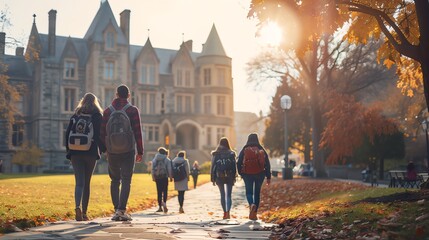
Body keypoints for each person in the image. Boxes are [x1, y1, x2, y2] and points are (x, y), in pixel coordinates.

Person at [101, 84, 144, 221]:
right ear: (129, 96)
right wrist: (140, 151)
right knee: (126, 180)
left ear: (116, 94)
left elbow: (102, 132)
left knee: (114, 180)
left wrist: (105, 149)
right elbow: (138, 132)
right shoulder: (132, 110)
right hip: (128, 150)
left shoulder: (107, 111)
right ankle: (121, 210)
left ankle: (116, 211)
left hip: (112, 151)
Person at [65, 93, 106, 221]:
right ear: (95, 102)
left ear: (82, 101)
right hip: (91, 152)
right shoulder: (97, 115)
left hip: (75, 153)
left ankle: (77, 206)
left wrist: (69, 151)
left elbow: (67, 133)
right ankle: (84, 213)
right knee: (87, 183)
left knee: (79, 183)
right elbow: (100, 135)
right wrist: (104, 150)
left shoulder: (76, 114)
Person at [237, 133, 271, 221]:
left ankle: (251, 204)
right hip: (260, 173)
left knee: (249, 192)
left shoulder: (245, 149)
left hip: (247, 174)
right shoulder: (260, 148)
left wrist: (241, 173)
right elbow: (267, 163)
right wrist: (268, 176)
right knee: (257, 193)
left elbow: (239, 161)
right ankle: (254, 214)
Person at [210, 137, 237, 220]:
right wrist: (234, 176)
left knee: (222, 195)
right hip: (229, 176)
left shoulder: (216, 154)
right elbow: (234, 166)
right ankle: (228, 212)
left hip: (219, 176)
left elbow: (213, 166)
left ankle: (224, 213)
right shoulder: (231, 153)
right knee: (229, 195)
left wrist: (212, 178)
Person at [152, 147, 172, 213]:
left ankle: (160, 207)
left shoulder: (155, 159)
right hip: (164, 177)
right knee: (165, 191)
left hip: (158, 177)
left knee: (159, 192)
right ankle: (164, 203)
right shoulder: (167, 159)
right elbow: (169, 169)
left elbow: (152, 169)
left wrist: (153, 177)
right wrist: (171, 177)